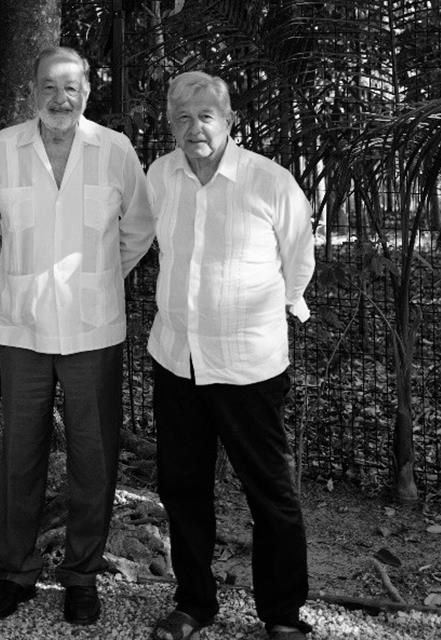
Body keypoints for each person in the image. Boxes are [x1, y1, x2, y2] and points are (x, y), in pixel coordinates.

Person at [0, 46, 154, 626]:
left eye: (70, 87)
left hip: (94, 330)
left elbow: (139, 228)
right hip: (21, 329)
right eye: (49, 86)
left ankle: (81, 578)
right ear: (32, 92)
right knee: (20, 456)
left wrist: (96, 279)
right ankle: (15, 575)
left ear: (87, 91)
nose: (59, 98)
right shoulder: (5, 148)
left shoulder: (115, 151)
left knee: (92, 459)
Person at [146, 71, 316, 640]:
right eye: (183, 118)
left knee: (268, 489)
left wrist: (277, 309)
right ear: (170, 124)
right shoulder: (160, 176)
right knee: (182, 485)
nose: (196, 128)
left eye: (207, 116)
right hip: (176, 359)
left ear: (229, 121)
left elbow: (299, 261)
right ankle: (194, 603)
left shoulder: (269, 182)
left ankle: (283, 614)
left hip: (248, 365)